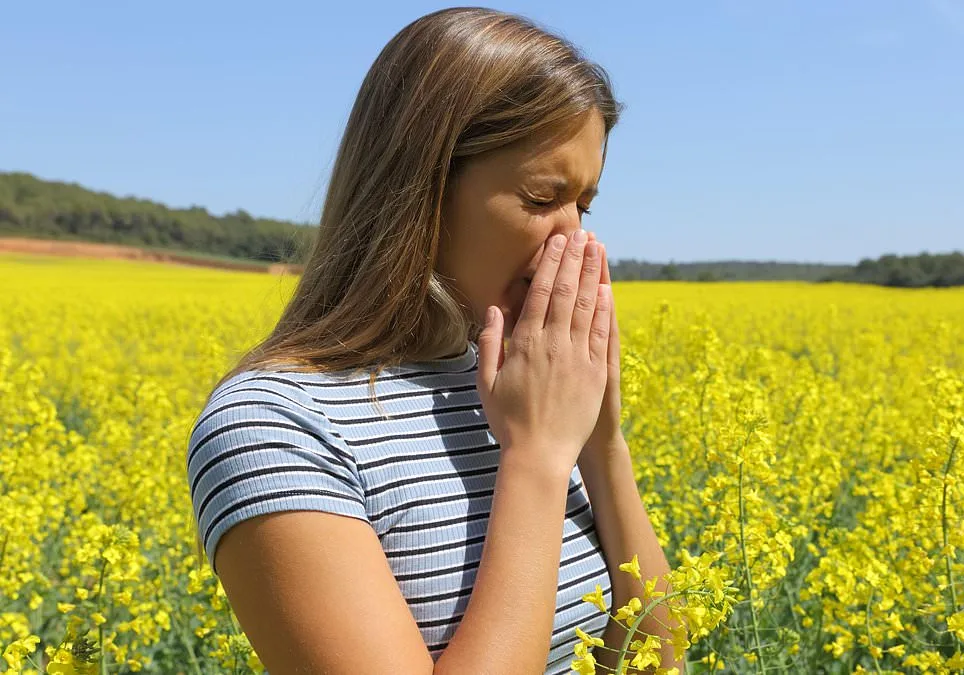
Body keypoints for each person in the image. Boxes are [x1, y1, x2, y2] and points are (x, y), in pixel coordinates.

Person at [185, 6, 677, 674]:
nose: (576, 241)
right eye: (541, 197)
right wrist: (535, 456)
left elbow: (658, 660)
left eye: (583, 205)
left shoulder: (518, 386)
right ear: (422, 190)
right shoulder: (274, 427)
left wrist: (600, 439)